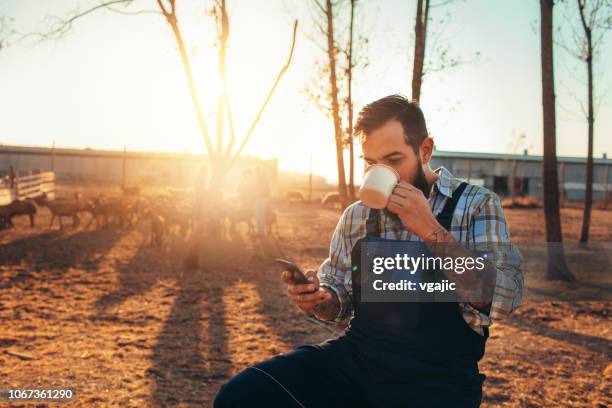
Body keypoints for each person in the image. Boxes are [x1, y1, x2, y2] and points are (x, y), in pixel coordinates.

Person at [214, 95, 524, 407]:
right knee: (242, 395)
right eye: (372, 164)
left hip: (440, 378)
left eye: (393, 161)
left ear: (425, 150)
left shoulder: (477, 204)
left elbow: (504, 299)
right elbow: (339, 297)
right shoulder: (357, 215)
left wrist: (431, 230)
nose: (381, 174)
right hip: (359, 361)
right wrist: (322, 300)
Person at [253, 165, 271, 237]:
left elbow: (262, 190)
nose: (255, 174)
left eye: (256, 172)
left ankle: (261, 232)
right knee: (259, 215)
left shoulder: (261, 180)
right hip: (262, 198)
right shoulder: (262, 179)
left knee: (259, 215)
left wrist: (257, 193)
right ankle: (261, 232)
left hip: (261, 198)